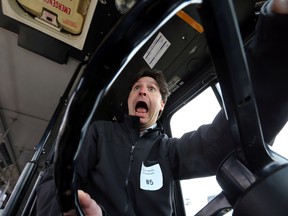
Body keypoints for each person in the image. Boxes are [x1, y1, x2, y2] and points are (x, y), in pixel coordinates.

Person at [36, 0, 288, 215]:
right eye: (137, 88)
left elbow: (228, 140)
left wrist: (279, 32)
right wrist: (69, 210)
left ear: (162, 105)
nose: (143, 90)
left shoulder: (170, 152)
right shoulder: (98, 133)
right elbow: (54, 180)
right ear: (129, 101)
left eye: (151, 88)